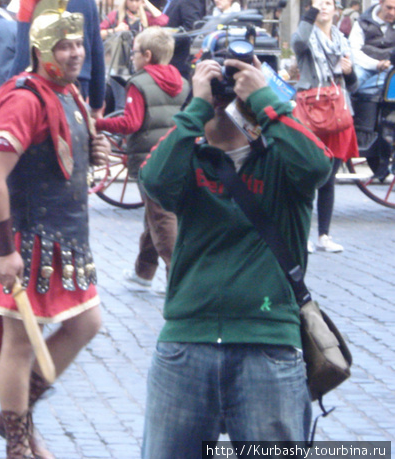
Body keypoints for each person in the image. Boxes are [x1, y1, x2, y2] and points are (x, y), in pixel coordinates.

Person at [0, 0, 112, 459]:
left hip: (65, 240)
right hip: (28, 242)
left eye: (79, 44)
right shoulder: (23, 99)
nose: (75, 53)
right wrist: (4, 253)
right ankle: (18, 440)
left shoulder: (69, 93)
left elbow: (60, 156)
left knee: (87, 323)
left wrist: (90, 148)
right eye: (63, 46)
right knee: (18, 342)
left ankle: (15, 416)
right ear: (41, 49)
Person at [138, 51, 333, 456]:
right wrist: (195, 107)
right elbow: (153, 181)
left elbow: (319, 164)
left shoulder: (282, 163)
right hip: (187, 342)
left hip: (267, 344)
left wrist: (266, 101)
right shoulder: (189, 159)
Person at [97, 27, 189, 293]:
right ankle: (144, 272)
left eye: (135, 52)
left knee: (161, 219)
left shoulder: (139, 83)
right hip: (176, 154)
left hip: (150, 158)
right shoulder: (184, 83)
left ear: (147, 55)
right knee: (156, 214)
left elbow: (131, 122)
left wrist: (99, 122)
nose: (133, 57)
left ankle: (177, 278)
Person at [292, 0, 359, 254]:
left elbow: (352, 86)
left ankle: (324, 236)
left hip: (338, 113)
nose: (324, 7)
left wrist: (350, 72)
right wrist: (312, 9)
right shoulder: (307, 36)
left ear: (336, 9)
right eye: (319, 3)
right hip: (312, 114)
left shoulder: (342, 41)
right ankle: (303, 234)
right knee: (308, 177)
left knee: (329, 178)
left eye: (328, 3)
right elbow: (298, 42)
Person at [12, 0, 105, 109]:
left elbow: (24, 53)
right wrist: (96, 102)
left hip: (41, 92)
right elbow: (96, 51)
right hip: (79, 90)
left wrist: (8, 91)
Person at [349, 0, 395, 95]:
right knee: (353, 83)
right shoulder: (361, 22)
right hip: (364, 67)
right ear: (380, 2)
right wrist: (377, 64)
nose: (392, 12)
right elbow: (353, 51)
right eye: (389, 7)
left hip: (390, 69)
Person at [100, 0, 166, 40]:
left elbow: (163, 21)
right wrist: (116, 30)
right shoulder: (115, 15)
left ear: (141, 1)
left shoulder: (146, 16)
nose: (134, 4)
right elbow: (99, 34)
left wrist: (147, 4)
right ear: (126, 0)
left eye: (137, 0)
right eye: (131, 0)